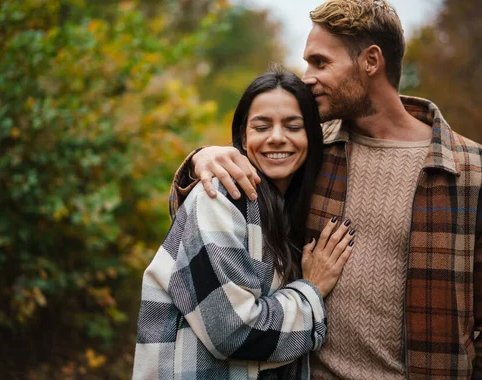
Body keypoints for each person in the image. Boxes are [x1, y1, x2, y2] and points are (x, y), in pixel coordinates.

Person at [169, 0, 482, 380]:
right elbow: (217, 210)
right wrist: (200, 159)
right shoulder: (311, 151)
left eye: (320, 62)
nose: (306, 76)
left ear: (371, 61)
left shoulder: (481, 177)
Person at [132, 68, 357, 380]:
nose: (277, 137)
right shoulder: (221, 197)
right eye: (261, 126)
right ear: (243, 136)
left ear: (312, 138)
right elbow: (232, 331)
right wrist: (312, 289)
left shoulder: (287, 207)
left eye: (293, 126)